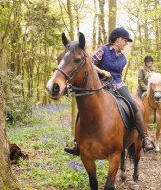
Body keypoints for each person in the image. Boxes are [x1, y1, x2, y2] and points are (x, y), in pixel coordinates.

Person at [64, 27, 155, 156]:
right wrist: (102, 72)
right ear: (118, 39)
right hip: (99, 84)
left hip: (117, 84)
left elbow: (118, 74)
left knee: (133, 105)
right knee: (84, 108)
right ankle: (77, 143)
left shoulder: (123, 58)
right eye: (125, 40)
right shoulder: (103, 50)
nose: (126, 43)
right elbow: (88, 63)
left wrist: (115, 79)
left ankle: (145, 138)